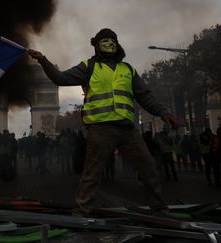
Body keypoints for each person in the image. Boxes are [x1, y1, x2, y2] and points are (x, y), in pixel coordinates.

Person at [28, 28, 179, 215]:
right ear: (97, 45)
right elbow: (61, 78)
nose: (110, 43)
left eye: (113, 40)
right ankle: (83, 209)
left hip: (127, 130)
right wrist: (43, 60)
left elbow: (145, 96)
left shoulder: (128, 69)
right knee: (92, 172)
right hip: (100, 129)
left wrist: (163, 113)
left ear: (118, 44)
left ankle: (159, 207)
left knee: (149, 167)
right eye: (105, 40)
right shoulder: (88, 66)